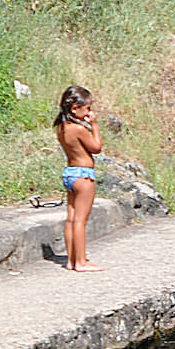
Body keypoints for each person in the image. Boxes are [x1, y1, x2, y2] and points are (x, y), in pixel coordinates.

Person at [54, 85, 104, 272]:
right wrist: (95, 126)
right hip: (83, 176)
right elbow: (96, 147)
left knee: (71, 219)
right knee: (80, 221)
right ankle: (81, 261)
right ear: (75, 108)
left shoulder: (61, 128)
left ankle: (71, 260)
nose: (90, 112)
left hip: (70, 173)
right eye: (88, 108)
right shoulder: (79, 129)